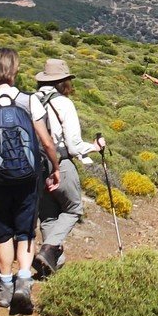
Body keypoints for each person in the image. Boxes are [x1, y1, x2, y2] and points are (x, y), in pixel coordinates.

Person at [0, 48, 60, 315]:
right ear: (14, 70)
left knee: (3, 229)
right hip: (28, 177)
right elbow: (46, 142)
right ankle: (23, 283)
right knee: (26, 229)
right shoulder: (29, 101)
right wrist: (55, 168)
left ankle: (5, 286)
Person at [33, 58, 105, 278]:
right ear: (62, 81)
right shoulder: (64, 104)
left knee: (47, 217)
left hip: (36, 166)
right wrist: (93, 147)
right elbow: (73, 146)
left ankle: (52, 262)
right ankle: (48, 249)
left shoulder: (30, 100)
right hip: (60, 164)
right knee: (73, 209)